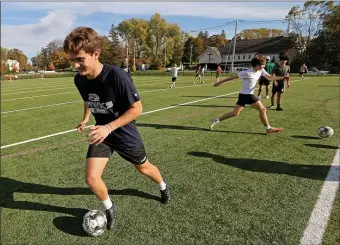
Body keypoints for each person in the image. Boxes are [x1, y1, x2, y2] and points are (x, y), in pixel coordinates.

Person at [63, 27, 171, 231]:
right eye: (72, 60)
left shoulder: (117, 76)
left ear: (96, 54)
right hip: (102, 134)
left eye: (80, 59)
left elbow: (137, 108)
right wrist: (85, 119)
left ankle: (163, 186)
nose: (76, 65)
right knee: (91, 178)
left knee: (144, 168)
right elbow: (88, 99)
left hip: (124, 133)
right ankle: (109, 208)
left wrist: (109, 127)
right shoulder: (79, 79)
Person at [210, 54, 289, 134]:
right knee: (262, 109)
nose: (264, 67)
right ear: (257, 65)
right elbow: (232, 77)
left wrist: (282, 77)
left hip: (243, 95)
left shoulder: (261, 70)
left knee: (235, 113)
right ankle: (268, 128)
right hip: (247, 95)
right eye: (262, 65)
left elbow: (269, 77)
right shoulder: (247, 73)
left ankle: (216, 120)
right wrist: (219, 82)